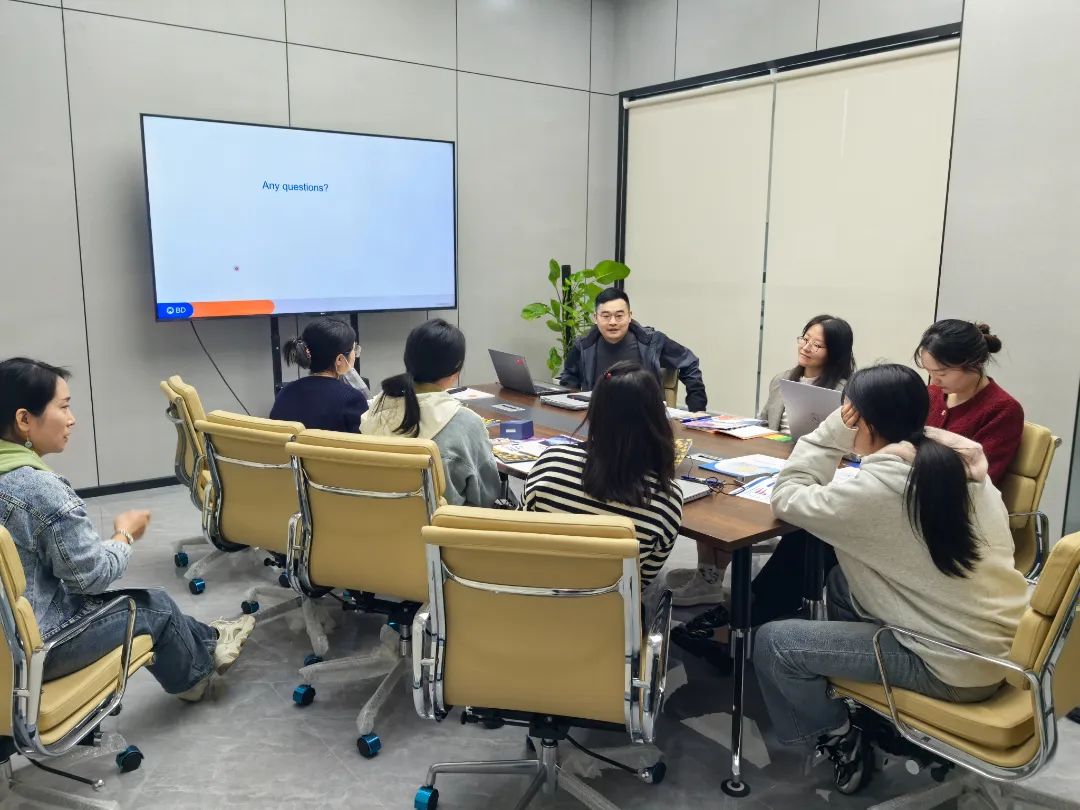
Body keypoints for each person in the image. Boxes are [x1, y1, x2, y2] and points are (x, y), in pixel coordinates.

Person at [754, 364, 1027, 792]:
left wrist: (828, 435)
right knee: (841, 582)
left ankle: (837, 736)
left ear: (862, 422)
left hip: (951, 666)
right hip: (1003, 645)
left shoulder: (875, 491)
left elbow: (786, 497)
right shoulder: (962, 467)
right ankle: (860, 699)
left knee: (775, 643)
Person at [0, 358, 254, 702]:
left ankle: (209, 638)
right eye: (64, 406)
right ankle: (196, 674)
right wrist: (125, 534)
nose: (72, 419)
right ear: (24, 419)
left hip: (7, 641)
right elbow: (91, 578)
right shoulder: (40, 491)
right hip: (38, 647)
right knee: (156, 606)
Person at [667, 314, 855, 609]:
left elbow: (851, 447)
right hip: (768, 461)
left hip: (809, 470)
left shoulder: (846, 393)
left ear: (835, 352)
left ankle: (710, 578)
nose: (806, 347)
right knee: (716, 491)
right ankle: (709, 575)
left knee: (734, 508)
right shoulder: (783, 380)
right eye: (804, 339)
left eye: (817, 345)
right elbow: (765, 423)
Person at [523, 361, 682, 585]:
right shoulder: (667, 500)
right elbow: (642, 582)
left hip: (532, 598)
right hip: (609, 607)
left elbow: (522, 539)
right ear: (658, 418)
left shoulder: (550, 463)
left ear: (594, 411)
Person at [361, 318, 504, 507]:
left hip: (376, 520)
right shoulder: (466, 424)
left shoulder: (376, 409)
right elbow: (487, 497)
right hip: (444, 524)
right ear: (456, 369)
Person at [559, 288, 708, 411]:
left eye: (619, 316)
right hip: (598, 419)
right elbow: (569, 380)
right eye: (606, 316)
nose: (612, 322)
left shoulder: (652, 342)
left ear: (630, 316)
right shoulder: (583, 346)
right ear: (595, 318)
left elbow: (690, 363)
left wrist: (697, 410)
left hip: (644, 420)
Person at [915, 319, 1023, 487]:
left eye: (942, 373)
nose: (934, 381)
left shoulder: (1003, 410)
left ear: (975, 363)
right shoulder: (930, 394)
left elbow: (981, 478)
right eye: (929, 372)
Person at [269, 317, 368, 432]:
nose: (355, 354)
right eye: (353, 349)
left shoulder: (285, 393)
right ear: (339, 360)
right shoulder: (352, 399)